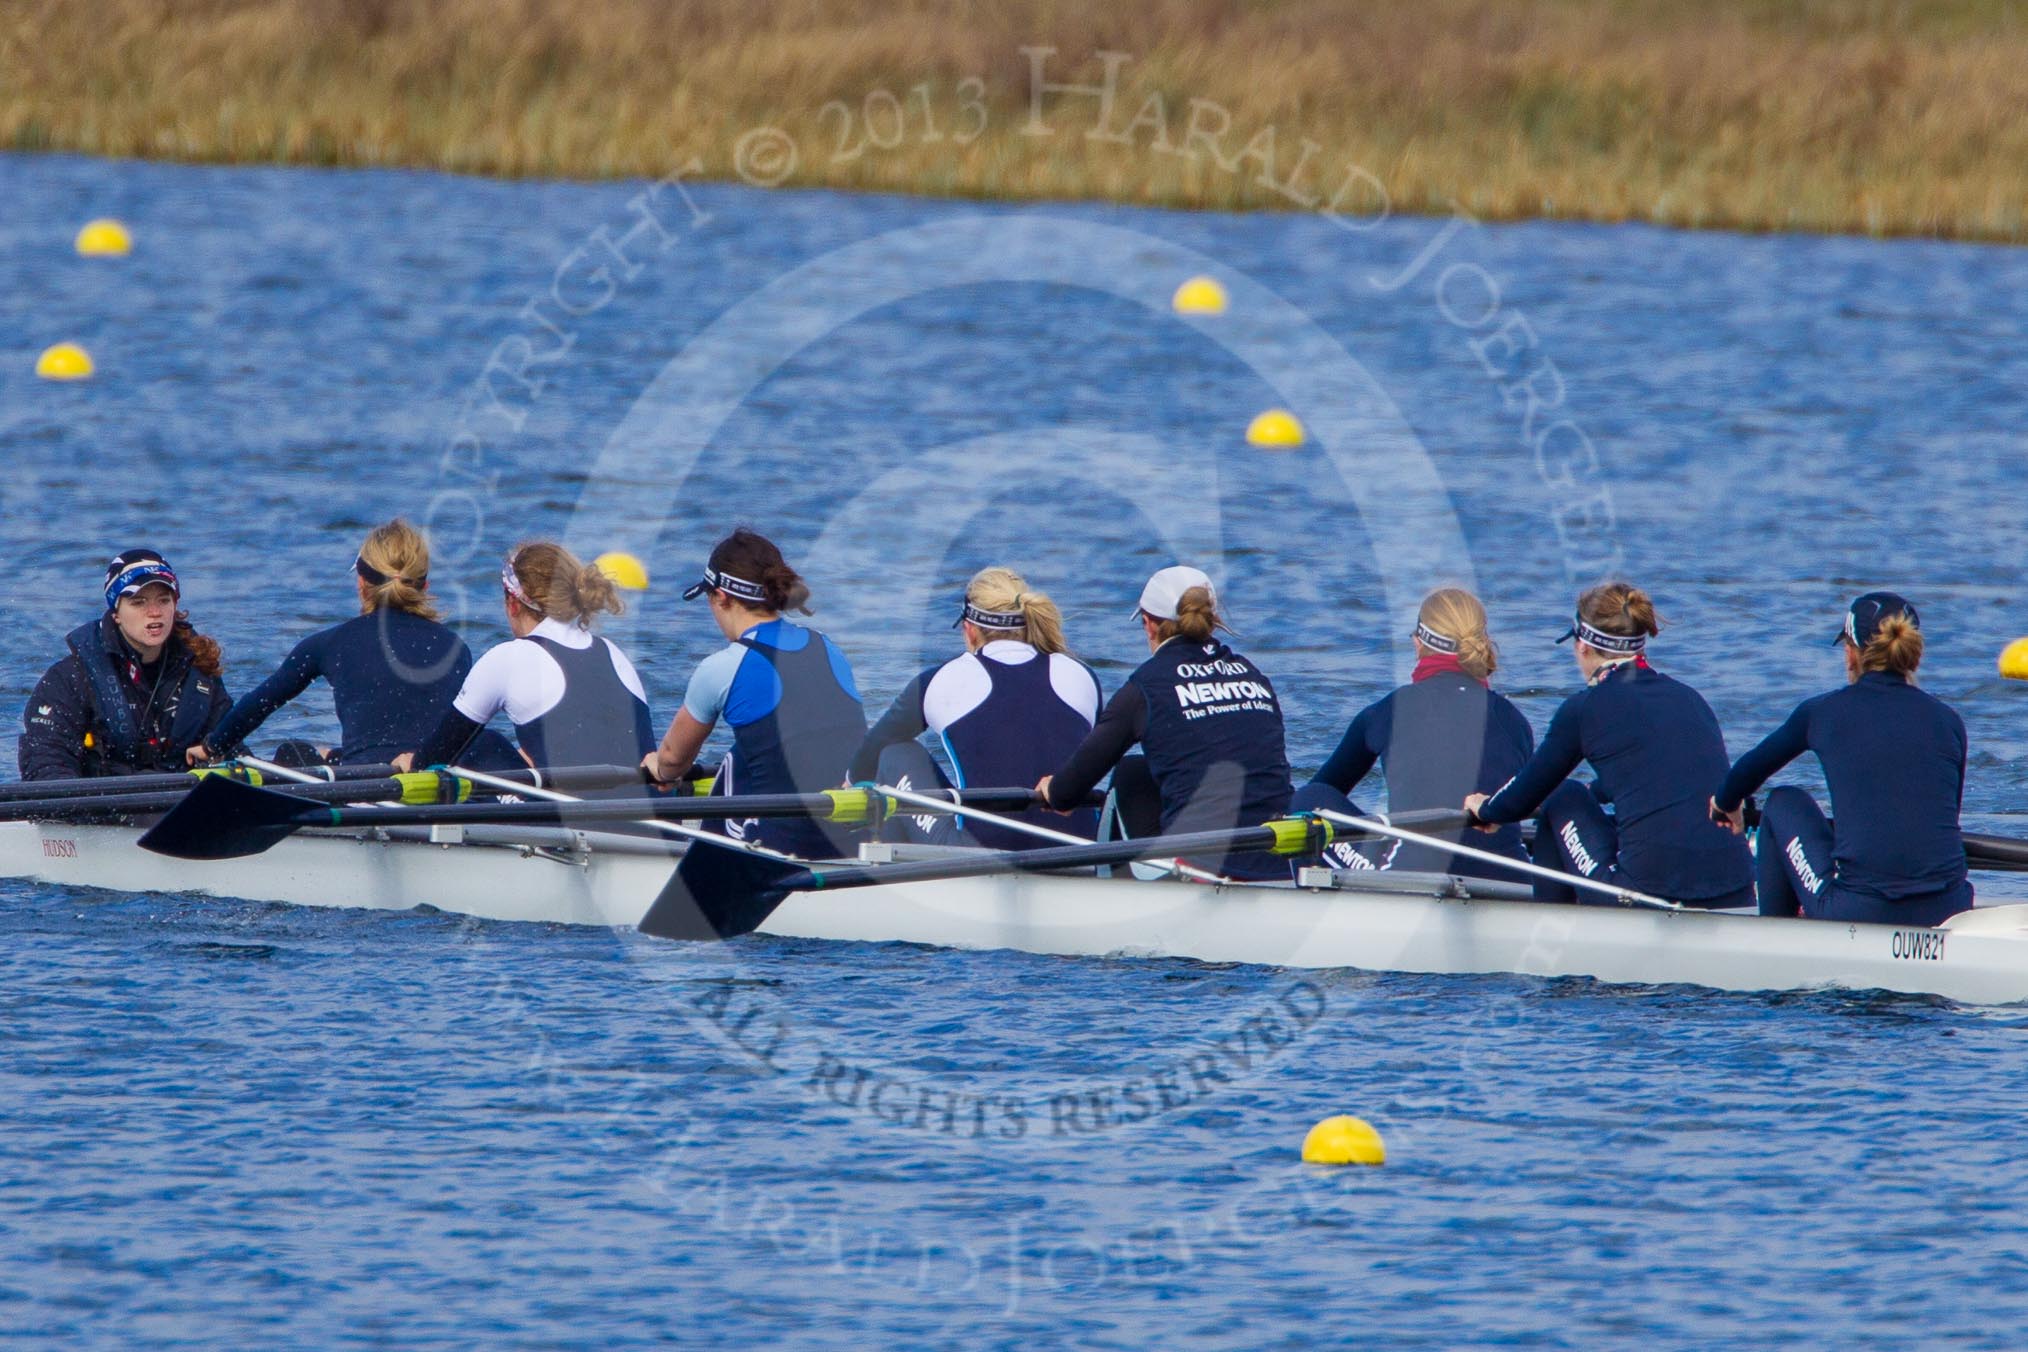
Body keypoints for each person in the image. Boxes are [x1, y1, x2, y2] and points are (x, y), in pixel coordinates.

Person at [1463, 581, 1753, 908]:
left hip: (1648, 896)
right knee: (1589, 798)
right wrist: (1594, 793)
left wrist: (1484, 808)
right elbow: (1649, 777)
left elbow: (1522, 796)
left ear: (1583, 645)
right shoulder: (1691, 698)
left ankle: (1545, 935)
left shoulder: (1585, 708)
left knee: (1563, 795)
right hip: (1738, 889)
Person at [1711, 593, 1971, 925]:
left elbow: (1745, 774)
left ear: (1851, 654)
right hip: (1950, 909)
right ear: (1913, 655)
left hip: (1861, 909)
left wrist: (1724, 803)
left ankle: (1775, 941)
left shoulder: (1822, 713)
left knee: (1781, 802)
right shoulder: (1949, 722)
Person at [189, 520, 515, 769]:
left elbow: (259, 704)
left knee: (292, 753)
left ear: (361, 583)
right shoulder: (457, 648)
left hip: (364, 791)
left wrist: (210, 748)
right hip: (433, 786)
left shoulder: (329, 643)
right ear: (424, 585)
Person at [1035, 565, 1291, 880]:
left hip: (1201, 871)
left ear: (1148, 625)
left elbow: (1066, 795)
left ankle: (1105, 899)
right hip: (1280, 864)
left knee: (1130, 772)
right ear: (1212, 621)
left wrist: (1052, 788)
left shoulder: (1146, 687)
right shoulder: (1255, 676)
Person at [645, 528, 866, 859]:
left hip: (776, 845)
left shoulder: (721, 667)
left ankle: (688, 872)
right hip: (847, 837)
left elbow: (673, 760)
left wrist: (658, 769)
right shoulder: (828, 646)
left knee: (736, 759)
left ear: (721, 597)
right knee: (754, 752)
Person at [847, 567, 1102, 849]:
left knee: (896, 753)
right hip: (1078, 850)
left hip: (982, 854)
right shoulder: (1082, 677)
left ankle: (888, 878)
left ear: (969, 629)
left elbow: (864, 763)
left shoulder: (938, 680)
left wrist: (848, 788)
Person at [1291, 588, 1534, 877]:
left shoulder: (1389, 710)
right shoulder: (1515, 720)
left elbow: (1325, 792)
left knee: (1308, 799)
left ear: (1418, 644)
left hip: (1414, 876)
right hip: (1513, 877)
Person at [400, 541, 654, 771]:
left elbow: (434, 758)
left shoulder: (506, 658)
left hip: (572, 817)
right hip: (657, 812)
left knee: (483, 743)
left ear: (513, 603)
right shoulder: (613, 652)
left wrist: (410, 762)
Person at [20, 549, 235, 780]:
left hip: (184, 803)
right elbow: (45, 761)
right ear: (116, 613)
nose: (154, 612)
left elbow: (234, 751)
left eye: (163, 600)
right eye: (138, 602)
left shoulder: (201, 670)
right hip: (104, 806)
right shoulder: (68, 679)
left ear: (175, 605)